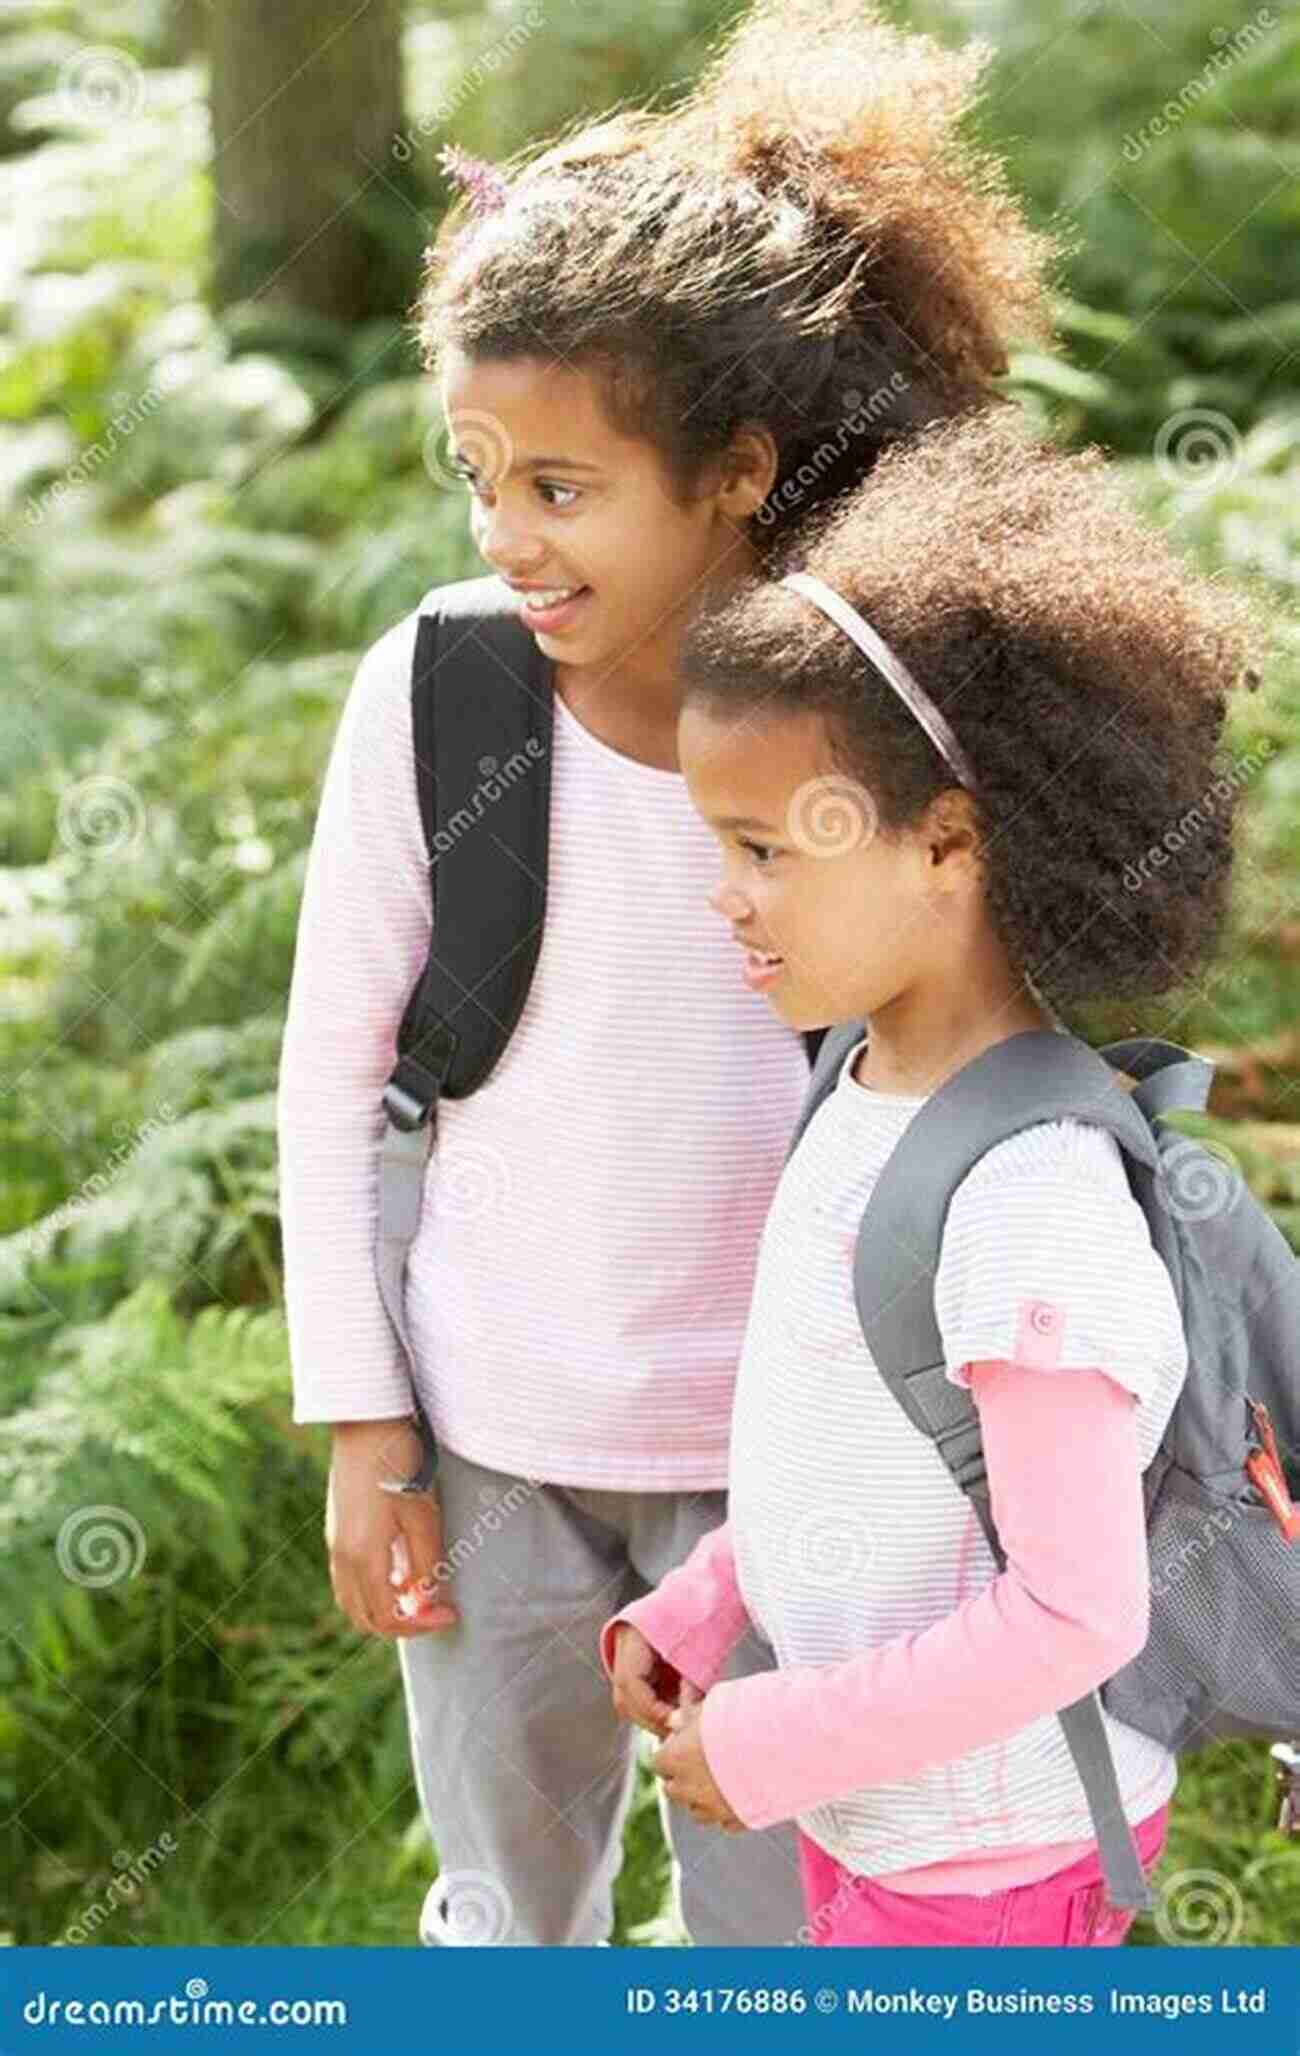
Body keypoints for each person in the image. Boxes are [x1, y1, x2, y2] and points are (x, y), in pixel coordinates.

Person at [277, 0, 1059, 1947]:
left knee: (772, 1920)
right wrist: (365, 1427)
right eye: (476, 470)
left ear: (733, 468)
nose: (504, 530)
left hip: (794, 1456)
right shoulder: (439, 692)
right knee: (508, 1900)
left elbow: (970, 1064)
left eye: (563, 484)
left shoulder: (861, 711)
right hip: (488, 1437)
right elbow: (328, 1066)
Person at [602, 406, 1261, 1947]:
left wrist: (774, 1741)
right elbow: (869, 1462)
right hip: (891, 1831)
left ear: (951, 844)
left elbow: (1076, 1611)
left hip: (998, 1869)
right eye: (720, 846)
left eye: (768, 850)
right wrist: (715, 1599)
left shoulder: (1032, 1202)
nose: (727, 898)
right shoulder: (860, 1085)